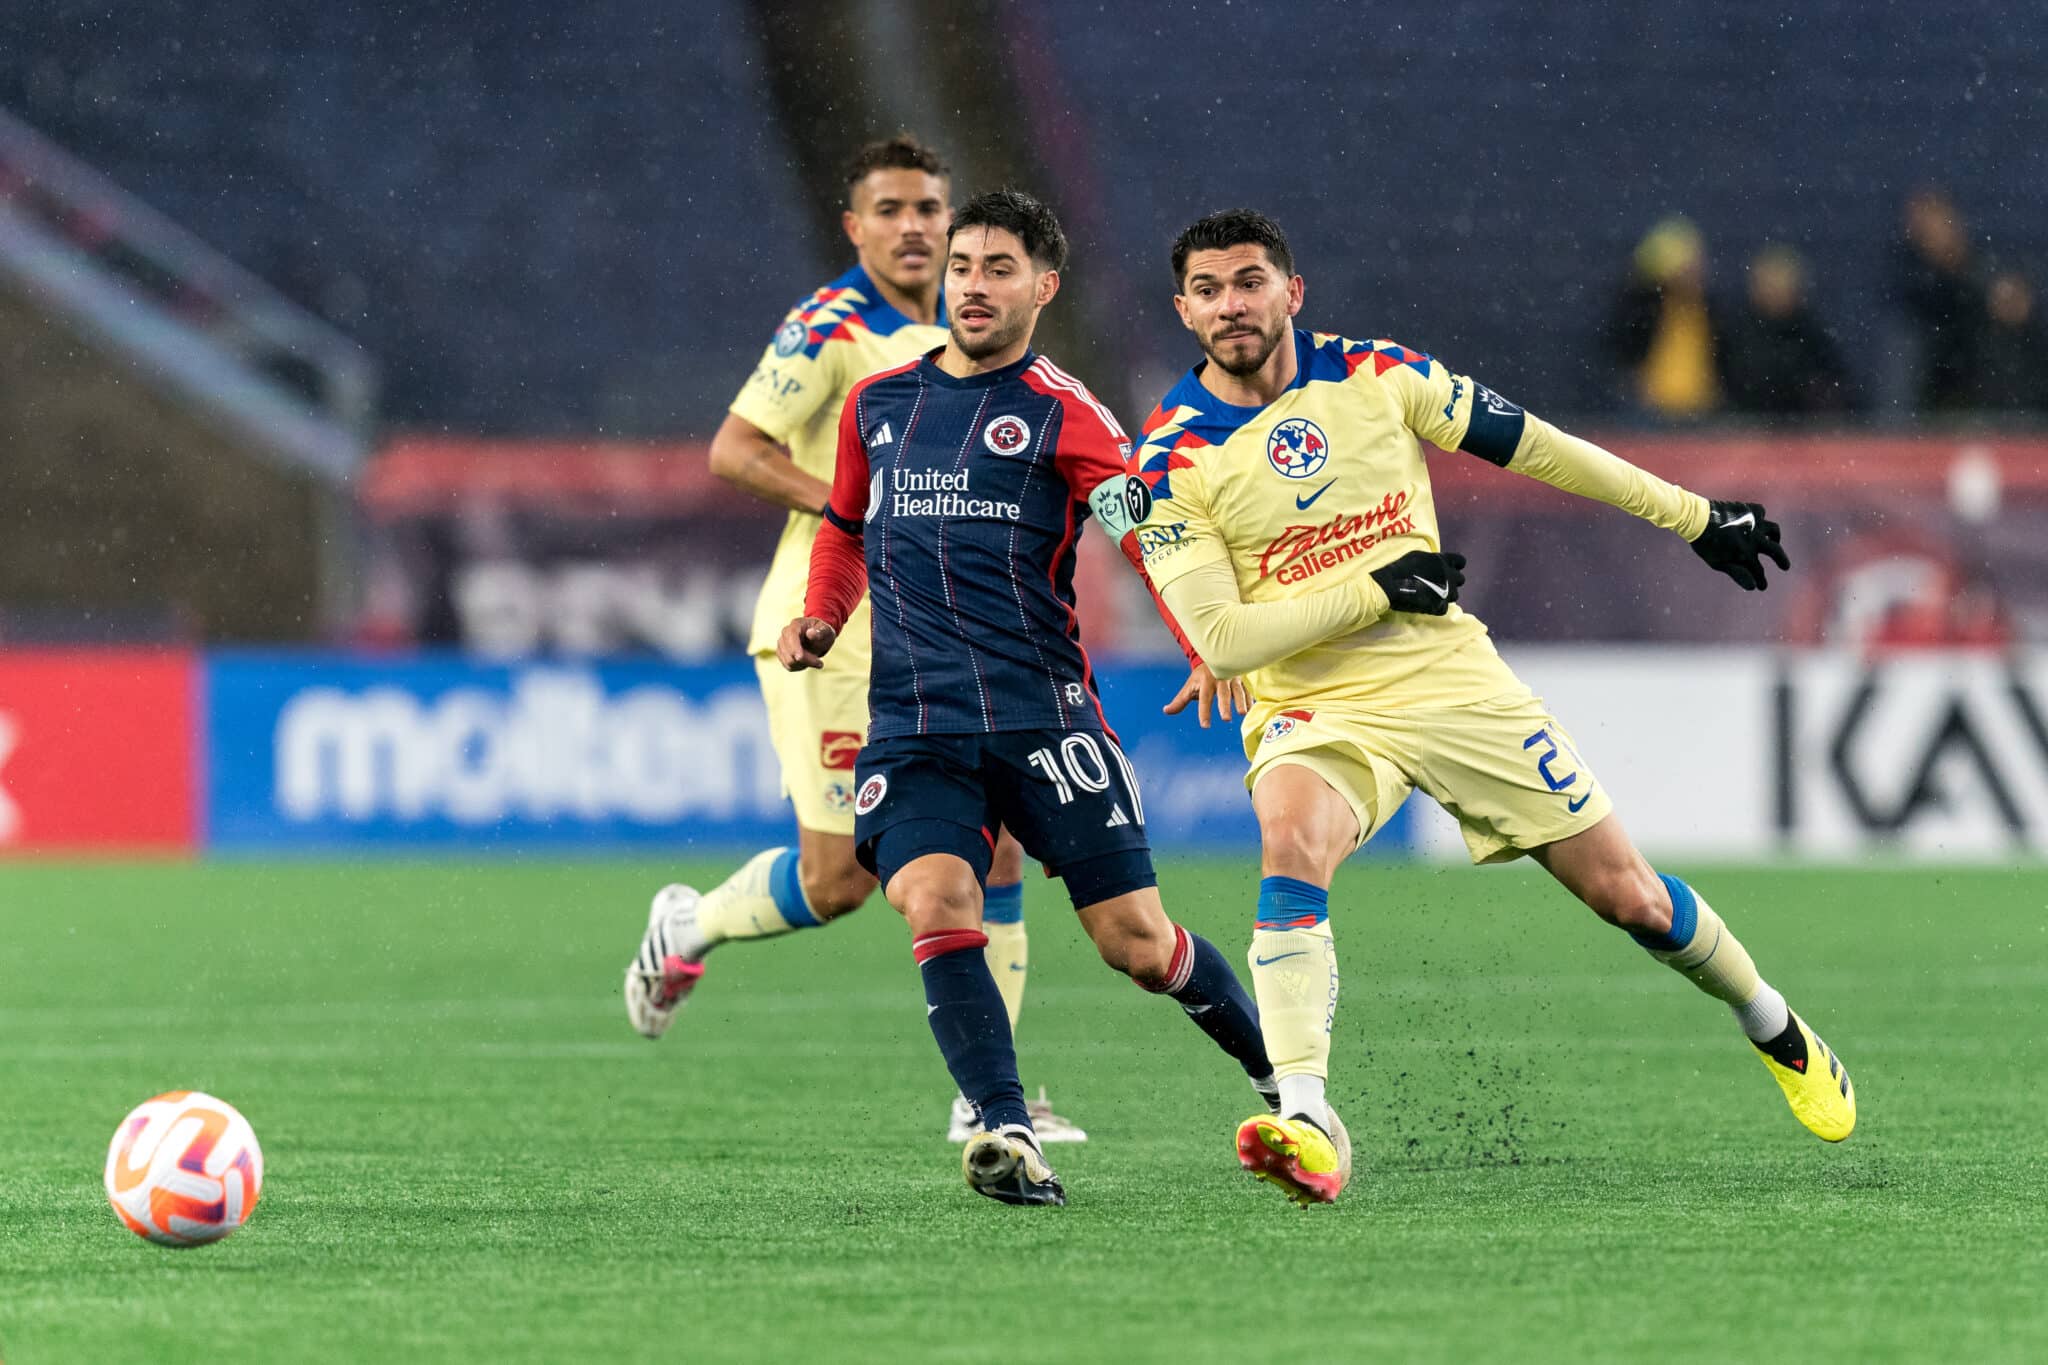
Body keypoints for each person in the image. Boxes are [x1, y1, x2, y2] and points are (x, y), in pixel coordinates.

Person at [1129, 208, 1855, 1207]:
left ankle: (1771, 1022)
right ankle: (1307, 1117)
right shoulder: (1167, 456)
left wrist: (1691, 516)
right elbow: (1221, 641)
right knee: (1290, 840)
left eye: (1249, 282)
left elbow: (1538, 447)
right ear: (1183, 311)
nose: (1230, 306)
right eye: (1207, 291)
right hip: (1316, 702)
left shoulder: (1378, 374)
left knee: (1631, 898)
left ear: (1291, 291)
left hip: (1449, 680)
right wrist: (1377, 588)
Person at [778, 189, 1282, 1206]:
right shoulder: (878, 405)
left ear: (1042, 288)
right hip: (916, 724)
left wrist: (1202, 641)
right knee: (934, 897)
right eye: (961, 266)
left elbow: (1147, 534)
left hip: (1042, 719)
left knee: (1137, 944)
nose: (972, 286)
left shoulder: (1067, 412)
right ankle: (1004, 1130)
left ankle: (1285, 1083)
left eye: (998, 269)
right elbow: (842, 528)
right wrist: (822, 615)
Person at [621, 136, 1084, 1143]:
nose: (913, 227)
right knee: (840, 879)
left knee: (999, 844)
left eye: (929, 209)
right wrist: (858, 509)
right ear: (854, 226)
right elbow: (735, 449)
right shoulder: (831, 327)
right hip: (830, 632)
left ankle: (990, 1100)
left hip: (939, 634)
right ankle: (688, 924)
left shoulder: (964, 334)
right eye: (889, 210)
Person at [1603, 216, 1722, 419]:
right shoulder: (1642, 307)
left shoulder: (1706, 307)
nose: (1692, 271)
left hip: (1700, 411)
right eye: (1685, 265)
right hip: (1650, 411)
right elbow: (1623, 351)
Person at [1719, 245, 1859, 417]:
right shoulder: (1736, 331)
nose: (1776, 293)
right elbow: (1720, 383)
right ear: (1755, 287)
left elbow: (1835, 384)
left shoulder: (1812, 333)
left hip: (1800, 425)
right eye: (1770, 285)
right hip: (1744, 423)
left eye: (1783, 285)